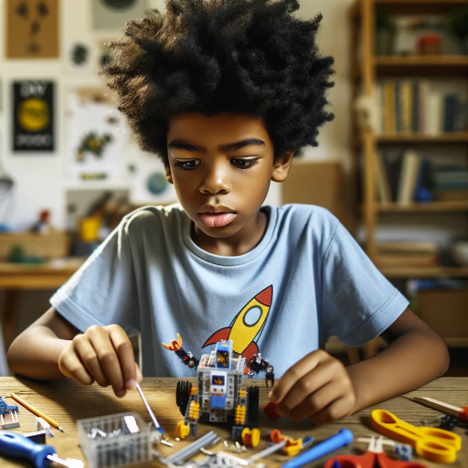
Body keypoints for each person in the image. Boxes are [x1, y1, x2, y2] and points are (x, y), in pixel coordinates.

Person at [7, 0, 449, 424]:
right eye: (186, 162)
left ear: (281, 159)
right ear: (166, 163)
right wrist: (72, 352)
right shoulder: (142, 237)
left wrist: (356, 384)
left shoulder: (313, 236)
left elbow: (427, 347)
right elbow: (26, 347)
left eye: (241, 161)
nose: (212, 183)